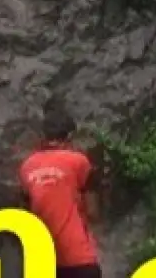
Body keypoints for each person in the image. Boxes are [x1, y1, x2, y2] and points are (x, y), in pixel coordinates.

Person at [20, 108, 104, 278]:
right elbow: (93, 212)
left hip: (43, 261)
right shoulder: (78, 161)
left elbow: (27, 215)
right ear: (70, 136)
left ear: (43, 136)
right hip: (79, 259)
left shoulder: (27, 167)